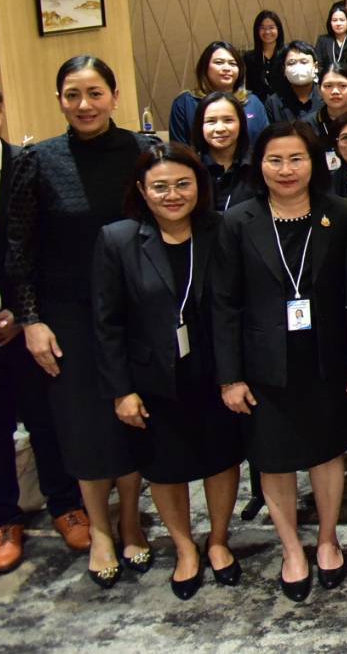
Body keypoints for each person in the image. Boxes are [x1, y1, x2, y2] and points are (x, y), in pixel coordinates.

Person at [6, 56, 153, 588]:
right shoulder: (37, 161)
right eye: (73, 95)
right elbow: (19, 248)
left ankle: (131, 521)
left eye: (95, 93)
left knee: (133, 419)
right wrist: (31, 320)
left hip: (135, 309)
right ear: (60, 101)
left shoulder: (142, 152)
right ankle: (100, 530)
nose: (85, 105)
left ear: (114, 96)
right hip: (67, 314)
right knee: (84, 425)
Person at [0, 71, 86, 574]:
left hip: (31, 325)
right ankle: (3, 520)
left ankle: (66, 505)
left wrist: (25, 312)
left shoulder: (32, 166)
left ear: (0, 109)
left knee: (49, 420)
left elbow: (53, 248)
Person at [91, 143, 244, 600]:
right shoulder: (118, 239)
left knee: (221, 459)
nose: (173, 195)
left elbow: (234, 304)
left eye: (183, 184)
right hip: (153, 377)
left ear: (199, 186)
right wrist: (121, 390)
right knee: (166, 467)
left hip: (215, 369)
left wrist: (234, 374)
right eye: (160, 186)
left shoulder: (220, 229)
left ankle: (218, 541)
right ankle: (184, 548)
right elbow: (107, 323)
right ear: (142, 190)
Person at [212, 121, 347, 602]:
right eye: (275, 160)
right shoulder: (238, 220)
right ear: (260, 165)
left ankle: (328, 539)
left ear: (314, 163)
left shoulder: (338, 213)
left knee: (327, 451)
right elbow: (225, 304)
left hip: (326, 357)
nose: (286, 169)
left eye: (297, 159)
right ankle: (292, 549)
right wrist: (230, 377)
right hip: (263, 364)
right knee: (274, 458)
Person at [169, 42, 270, 146]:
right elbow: (179, 149)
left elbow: (266, 144)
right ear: (204, 67)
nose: (227, 68)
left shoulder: (252, 102)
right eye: (219, 62)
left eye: (233, 64)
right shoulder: (185, 103)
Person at [192, 91, 252, 211]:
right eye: (211, 121)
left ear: (241, 123)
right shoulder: (190, 166)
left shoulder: (258, 165)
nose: (220, 129)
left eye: (228, 120)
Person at [265, 42, 322, 126]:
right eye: (291, 63)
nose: (298, 67)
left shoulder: (326, 97)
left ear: (315, 67)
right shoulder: (273, 103)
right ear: (284, 69)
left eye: (304, 62)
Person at [244, 10, 287, 101]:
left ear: (278, 29)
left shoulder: (287, 54)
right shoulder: (249, 58)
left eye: (271, 27)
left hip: (284, 104)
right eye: (262, 28)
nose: (267, 32)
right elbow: (248, 87)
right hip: (259, 104)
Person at [315, 8, 347, 74]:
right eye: (334, 20)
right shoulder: (322, 40)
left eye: (342, 20)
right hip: (327, 77)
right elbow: (319, 64)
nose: (338, 23)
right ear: (330, 22)